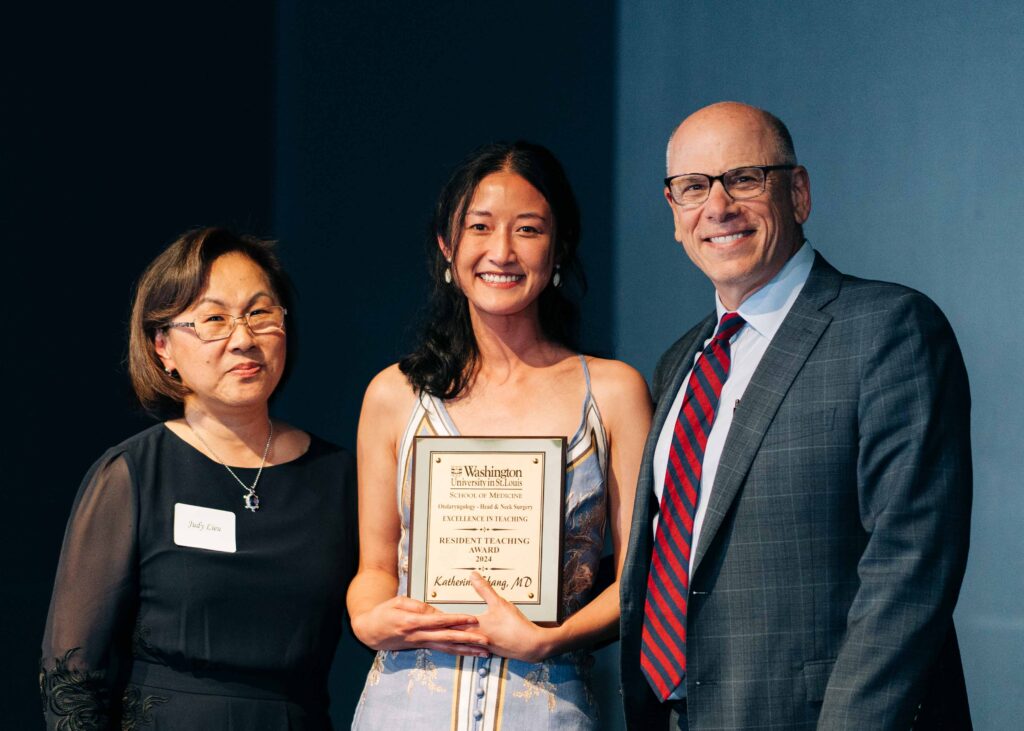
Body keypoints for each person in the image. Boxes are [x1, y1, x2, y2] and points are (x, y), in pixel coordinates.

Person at [619, 102, 972, 730]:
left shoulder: (888, 328)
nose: (718, 206)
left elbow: (909, 569)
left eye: (745, 178)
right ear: (674, 214)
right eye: (693, 187)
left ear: (799, 192)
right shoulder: (681, 361)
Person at [348, 141, 652, 729]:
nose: (502, 252)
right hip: (406, 705)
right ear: (447, 245)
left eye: (529, 230)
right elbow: (376, 567)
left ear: (559, 247)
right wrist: (366, 617)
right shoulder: (395, 394)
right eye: (479, 227)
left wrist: (552, 639)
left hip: (548, 708)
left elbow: (639, 576)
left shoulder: (612, 393)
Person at [39, 228, 357, 730]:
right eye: (214, 319)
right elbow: (72, 674)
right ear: (163, 347)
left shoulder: (339, 476)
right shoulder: (133, 474)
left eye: (260, 313)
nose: (244, 339)